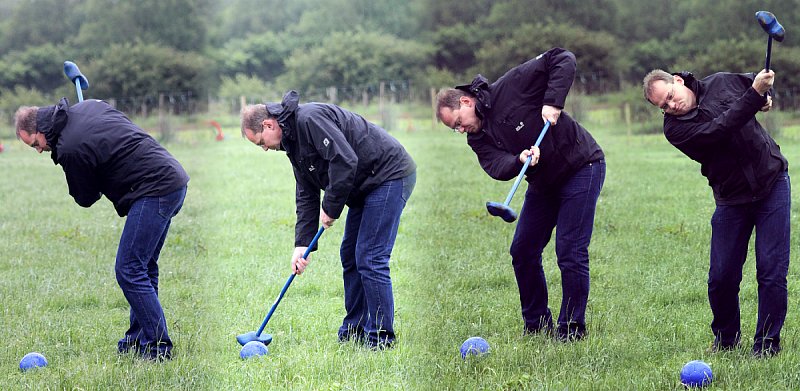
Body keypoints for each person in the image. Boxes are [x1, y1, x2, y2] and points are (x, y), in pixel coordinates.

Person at [436, 47, 605, 341]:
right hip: (543, 182)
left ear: (465, 101)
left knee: (570, 251)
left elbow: (561, 58)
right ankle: (537, 324)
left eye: (458, 123)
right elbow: (495, 164)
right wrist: (519, 159)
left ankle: (571, 329)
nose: (461, 130)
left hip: (581, 166)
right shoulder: (477, 138)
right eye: (455, 130)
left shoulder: (511, 86)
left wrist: (553, 102)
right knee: (523, 250)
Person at [15, 98, 189, 360]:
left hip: (154, 190)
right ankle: (136, 340)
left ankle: (158, 347)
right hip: (172, 179)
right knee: (143, 267)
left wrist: (75, 164)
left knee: (129, 269)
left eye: (35, 144)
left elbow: (85, 197)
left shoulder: (70, 148)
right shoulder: (88, 106)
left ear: (40, 129)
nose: (39, 150)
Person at [240, 91, 416, 349]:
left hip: (388, 175)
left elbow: (345, 161)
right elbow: (306, 192)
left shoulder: (309, 119)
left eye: (261, 143)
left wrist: (331, 208)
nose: (265, 148)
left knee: (370, 256)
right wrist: (301, 245)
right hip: (364, 185)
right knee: (350, 255)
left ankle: (380, 337)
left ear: (268, 125)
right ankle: (354, 331)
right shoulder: (291, 141)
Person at [642, 68, 788, 357]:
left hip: (772, 182)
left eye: (670, 96)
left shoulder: (721, 82)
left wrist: (765, 95)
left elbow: (753, 82)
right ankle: (726, 340)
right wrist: (754, 95)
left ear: (679, 82)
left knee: (771, 271)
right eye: (664, 106)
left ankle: (766, 346)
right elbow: (719, 129)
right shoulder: (675, 130)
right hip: (731, 198)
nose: (671, 106)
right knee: (721, 277)